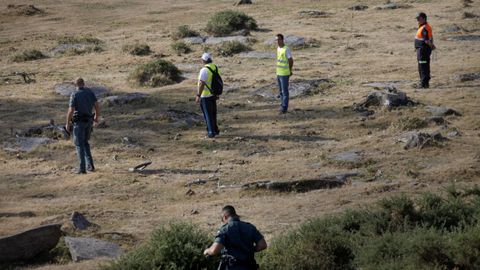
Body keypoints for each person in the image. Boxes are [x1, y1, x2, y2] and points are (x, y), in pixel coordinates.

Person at [203, 205, 267, 270]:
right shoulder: (250, 227)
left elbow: (214, 250)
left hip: (232, 267)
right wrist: (249, 250)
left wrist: (207, 251)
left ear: (225, 217)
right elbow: (262, 245)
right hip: (249, 266)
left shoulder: (225, 229)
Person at [65, 78, 100, 174]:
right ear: (83, 83)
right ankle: (90, 165)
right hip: (89, 121)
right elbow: (96, 105)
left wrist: (68, 123)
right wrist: (96, 117)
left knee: (79, 145)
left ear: (75, 85)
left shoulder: (74, 94)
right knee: (85, 143)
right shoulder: (89, 92)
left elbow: (71, 110)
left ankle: (82, 168)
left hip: (79, 123)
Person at [196, 53, 220, 138]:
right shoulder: (215, 67)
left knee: (207, 114)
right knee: (213, 114)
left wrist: (198, 95)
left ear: (204, 60)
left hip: (205, 96)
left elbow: (201, 83)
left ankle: (211, 132)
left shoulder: (204, 70)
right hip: (213, 94)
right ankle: (216, 130)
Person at [414, 12, 436, 89]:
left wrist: (432, 46)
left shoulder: (424, 28)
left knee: (423, 66)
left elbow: (426, 40)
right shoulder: (424, 26)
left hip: (423, 50)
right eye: (417, 19)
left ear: (423, 18)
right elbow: (430, 37)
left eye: (418, 19)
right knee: (423, 66)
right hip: (422, 50)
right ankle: (424, 83)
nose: (417, 20)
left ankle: (423, 84)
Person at [276, 34, 294, 114]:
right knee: (280, 91)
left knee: (284, 91)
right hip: (278, 73)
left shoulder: (286, 49)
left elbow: (290, 60)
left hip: (285, 73)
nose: (278, 41)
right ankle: (282, 105)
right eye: (276, 40)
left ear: (282, 40)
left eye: (279, 39)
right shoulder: (278, 48)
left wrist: (290, 70)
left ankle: (284, 108)